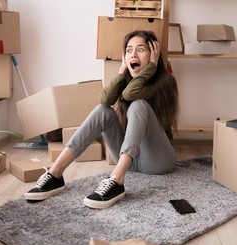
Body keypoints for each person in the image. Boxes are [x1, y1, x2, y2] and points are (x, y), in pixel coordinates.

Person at [24, 30, 179, 209]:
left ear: (153, 54)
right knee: (103, 110)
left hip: (158, 160)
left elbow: (131, 94)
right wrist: (122, 72)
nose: (133, 55)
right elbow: (105, 101)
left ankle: (117, 180)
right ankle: (55, 173)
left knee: (138, 105)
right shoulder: (127, 80)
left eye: (140, 50)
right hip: (131, 160)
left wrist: (151, 67)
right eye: (129, 50)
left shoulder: (166, 81)